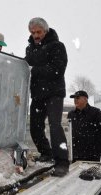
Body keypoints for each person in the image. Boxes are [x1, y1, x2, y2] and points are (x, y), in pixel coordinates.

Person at [25, 17, 69, 177]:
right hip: (37, 94)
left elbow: (57, 69)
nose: (36, 35)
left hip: (54, 94)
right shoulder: (30, 49)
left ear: (46, 30)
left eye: (38, 32)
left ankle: (62, 162)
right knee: (35, 127)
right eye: (33, 32)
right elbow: (25, 67)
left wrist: (33, 69)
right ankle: (46, 153)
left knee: (55, 126)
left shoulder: (57, 46)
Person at [68, 90, 101, 195]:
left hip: (92, 151)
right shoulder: (71, 114)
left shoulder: (95, 112)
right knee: (78, 177)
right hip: (76, 152)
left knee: (93, 177)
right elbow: (68, 133)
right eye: (74, 98)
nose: (75, 100)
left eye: (78, 98)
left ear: (85, 99)